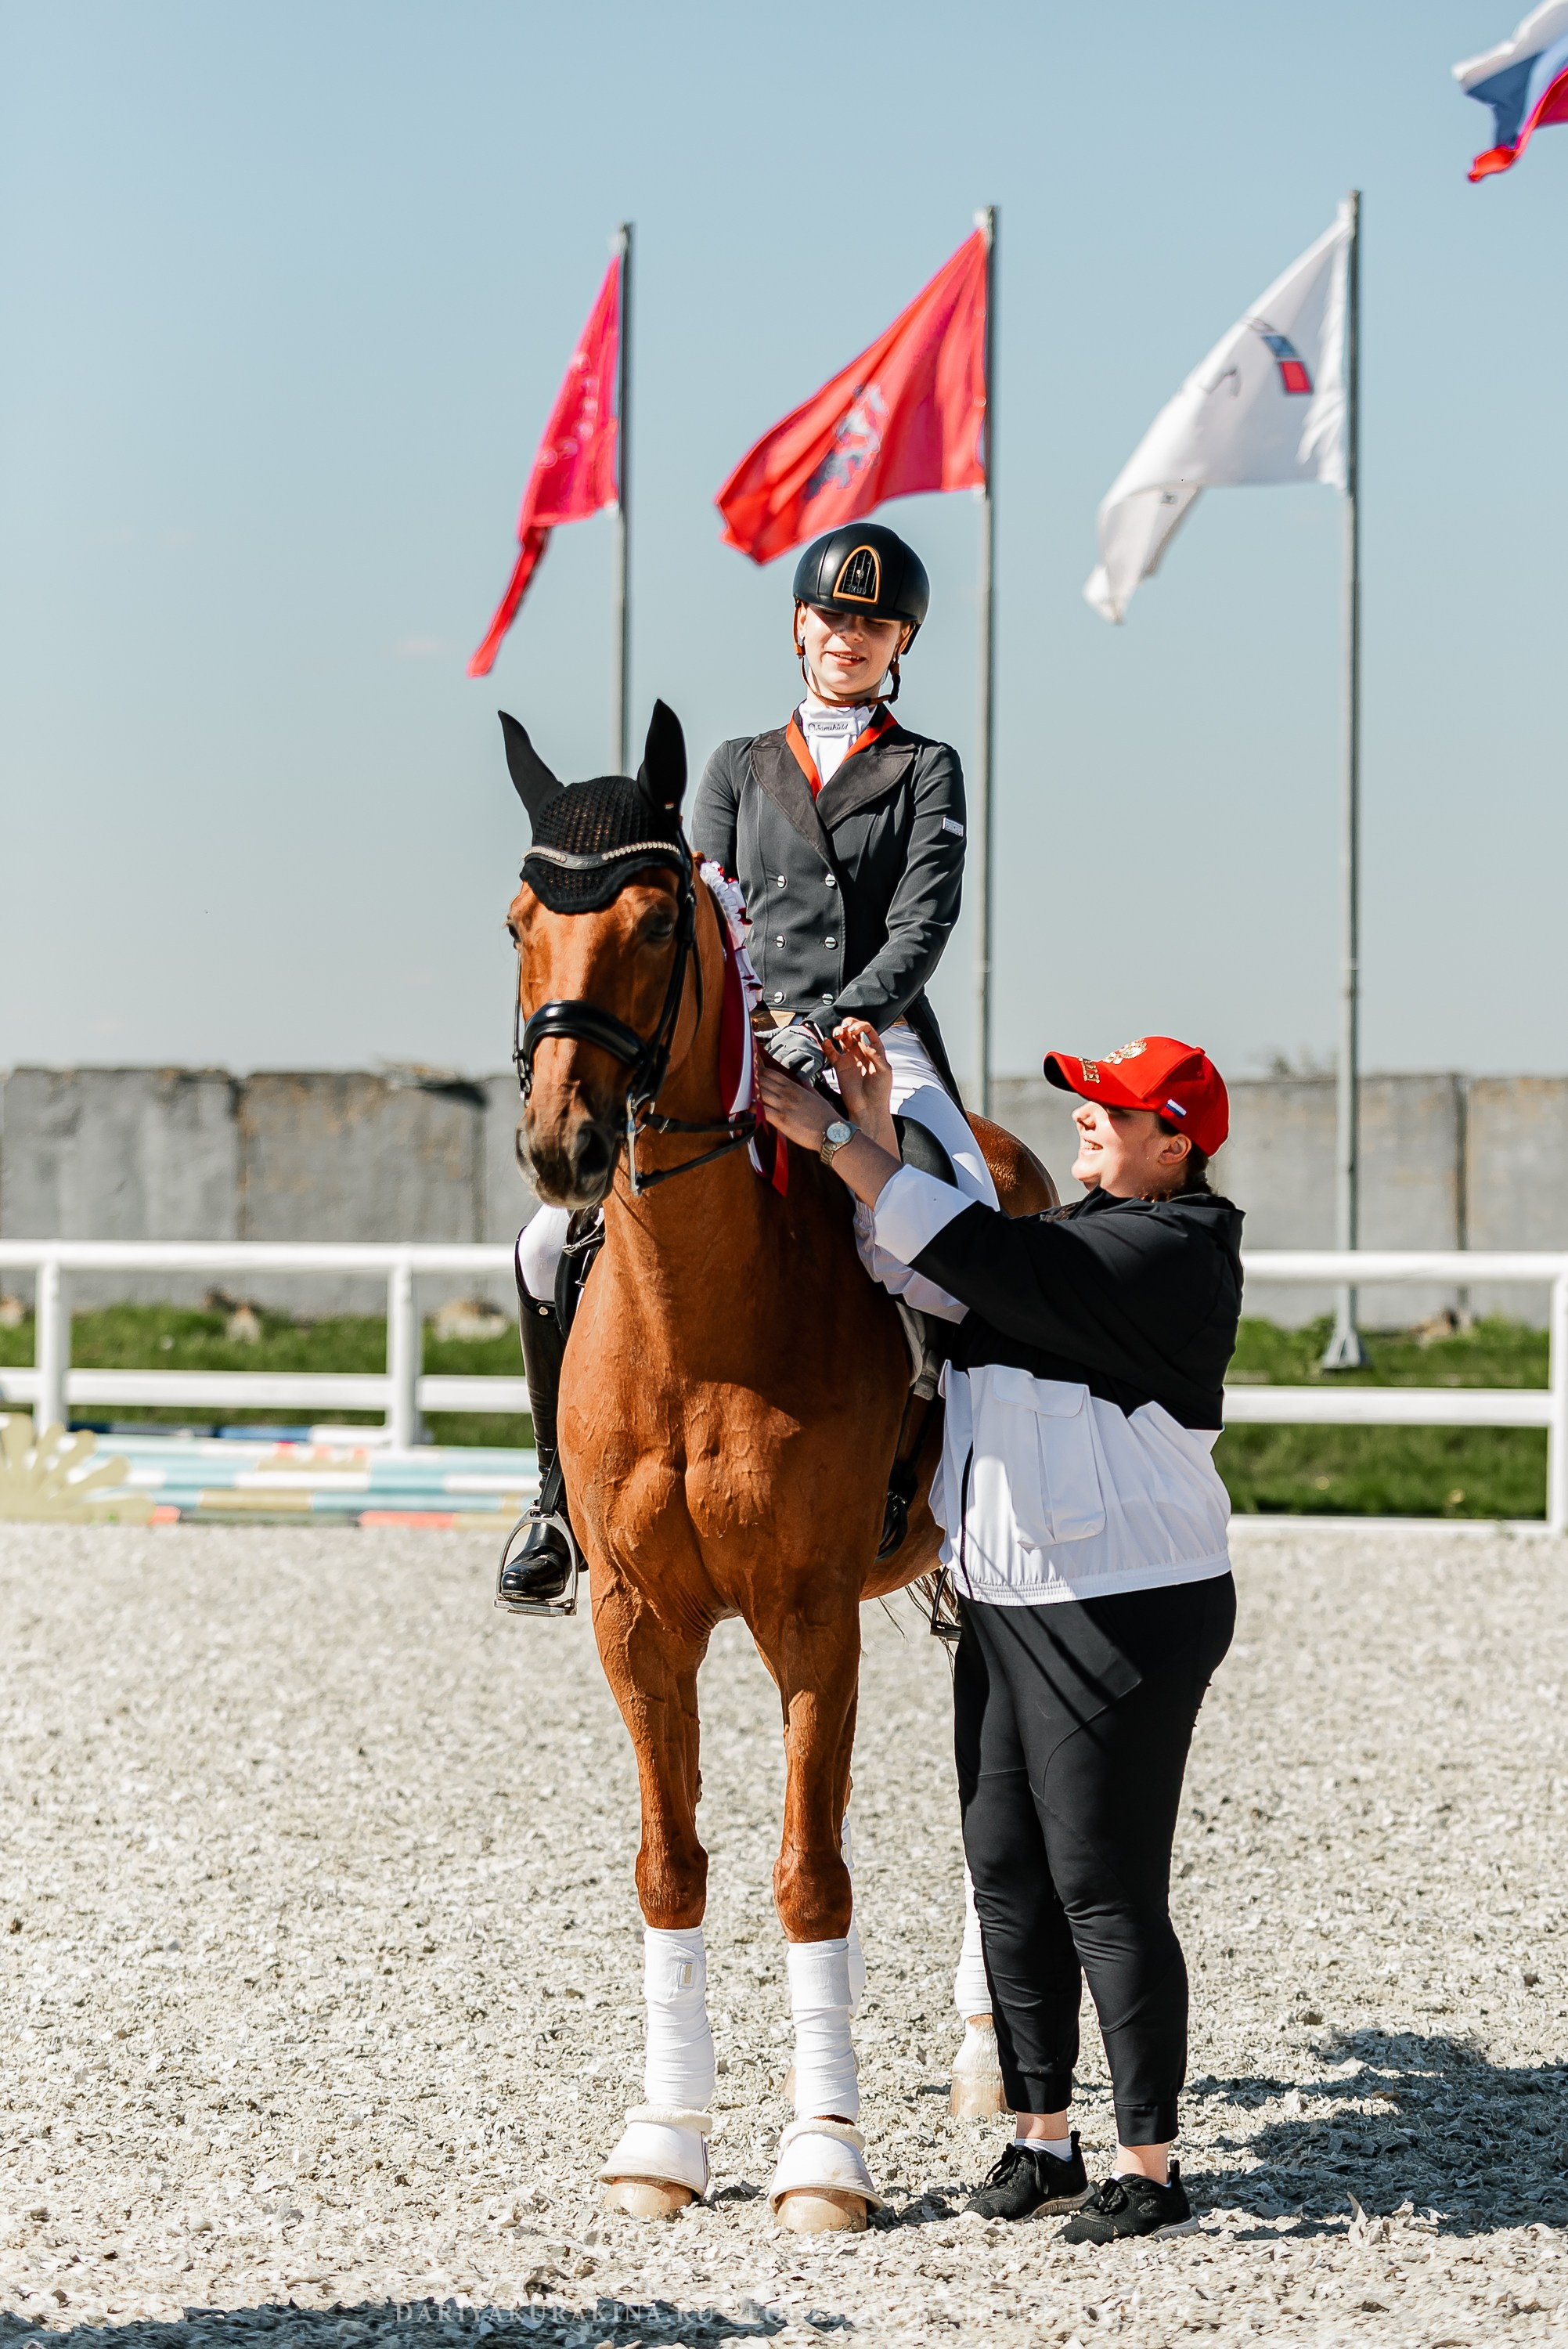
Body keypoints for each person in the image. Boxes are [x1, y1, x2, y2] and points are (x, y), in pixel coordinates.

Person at [755, 1027, 1242, 2244]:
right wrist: (865, 1123)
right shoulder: (1076, 1240)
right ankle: (1044, 2140)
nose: (1086, 1117)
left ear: (1175, 1147)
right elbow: (924, 1269)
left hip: (1123, 1602)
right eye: (1088, 1102)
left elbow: (964, 1247)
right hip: (1010, 1594)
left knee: (1104, 1885)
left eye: (1113, 1110)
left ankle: (1153, 2165)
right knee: (1008, 1873)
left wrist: (828, 1131)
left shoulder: (1172, 1251)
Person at [500, 519, 993, 1605]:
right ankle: (551, 1501)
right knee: (547, 1245)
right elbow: (707, 913)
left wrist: (836, 1023)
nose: (851, 637)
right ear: (799, 629)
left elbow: (921, 927)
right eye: (834, 617)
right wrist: (752, 1030)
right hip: (741, 1042)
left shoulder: (925, 770)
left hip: (879, 1039)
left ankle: (964, 1496)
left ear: (901, 641)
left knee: (960, 1203)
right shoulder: (735, 766)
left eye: (875, 623)